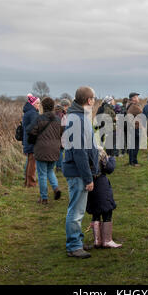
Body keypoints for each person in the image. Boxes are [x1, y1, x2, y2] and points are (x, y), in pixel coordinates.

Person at [62, 86, 99, 259]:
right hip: (77, 172)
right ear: (89, 100)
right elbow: (79, 152)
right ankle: (74, 246)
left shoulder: (78, 116)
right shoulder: (77, 119)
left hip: (78, 170)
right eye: (94, 98)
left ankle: (77, 241)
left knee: (78, 210)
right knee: (76, 211)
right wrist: (87, 177)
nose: (94, 101)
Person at [27, 97, 62, 205]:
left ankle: (44, 198)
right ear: (52, 107)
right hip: (54, 149)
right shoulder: (58, 120)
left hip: (41, 149)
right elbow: (61, 133)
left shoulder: (39, 118)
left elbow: (30, 130)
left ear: (43, 106)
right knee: (50, 171)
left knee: (42, 174)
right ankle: (56, 188)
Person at [86, 146, 122, 249]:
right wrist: (111, 158)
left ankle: (97, 240)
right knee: (107, 211)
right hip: (102, 184)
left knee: (95, 212)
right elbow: (109, 168)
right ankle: (107, 240)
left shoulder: (85, 152)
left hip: (90, 184)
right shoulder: (99, 151)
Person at [22, 93, 41, 187]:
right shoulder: (33, 113)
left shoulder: (29, 112)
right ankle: (31, 183)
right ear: (33, 104)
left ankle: (27, 182)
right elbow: (34, 128)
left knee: (30, 161)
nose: (39, 105)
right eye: (37, 103)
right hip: (32, 141)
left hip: (28, 140)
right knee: (32, 163)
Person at [126, 92, 142, 166]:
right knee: (135, 146)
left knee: (133, 146)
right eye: (136, 97)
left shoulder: (130, 105)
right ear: (133, 98)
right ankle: (134, 162)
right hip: (135, 128)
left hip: (132, 128)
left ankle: (131, 161)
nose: (138, 98)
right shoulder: (134, 107)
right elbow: (143, 114)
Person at [54, 99, 71, 173]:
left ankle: (59, 166)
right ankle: (59, 167)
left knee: (60, 151)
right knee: (60, 151)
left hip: (59, 134)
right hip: (60, 135)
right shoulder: (60, 113)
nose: (68, 108)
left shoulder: (58, 112)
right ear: (64, 106)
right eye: (67, 106)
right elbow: (61, 125)